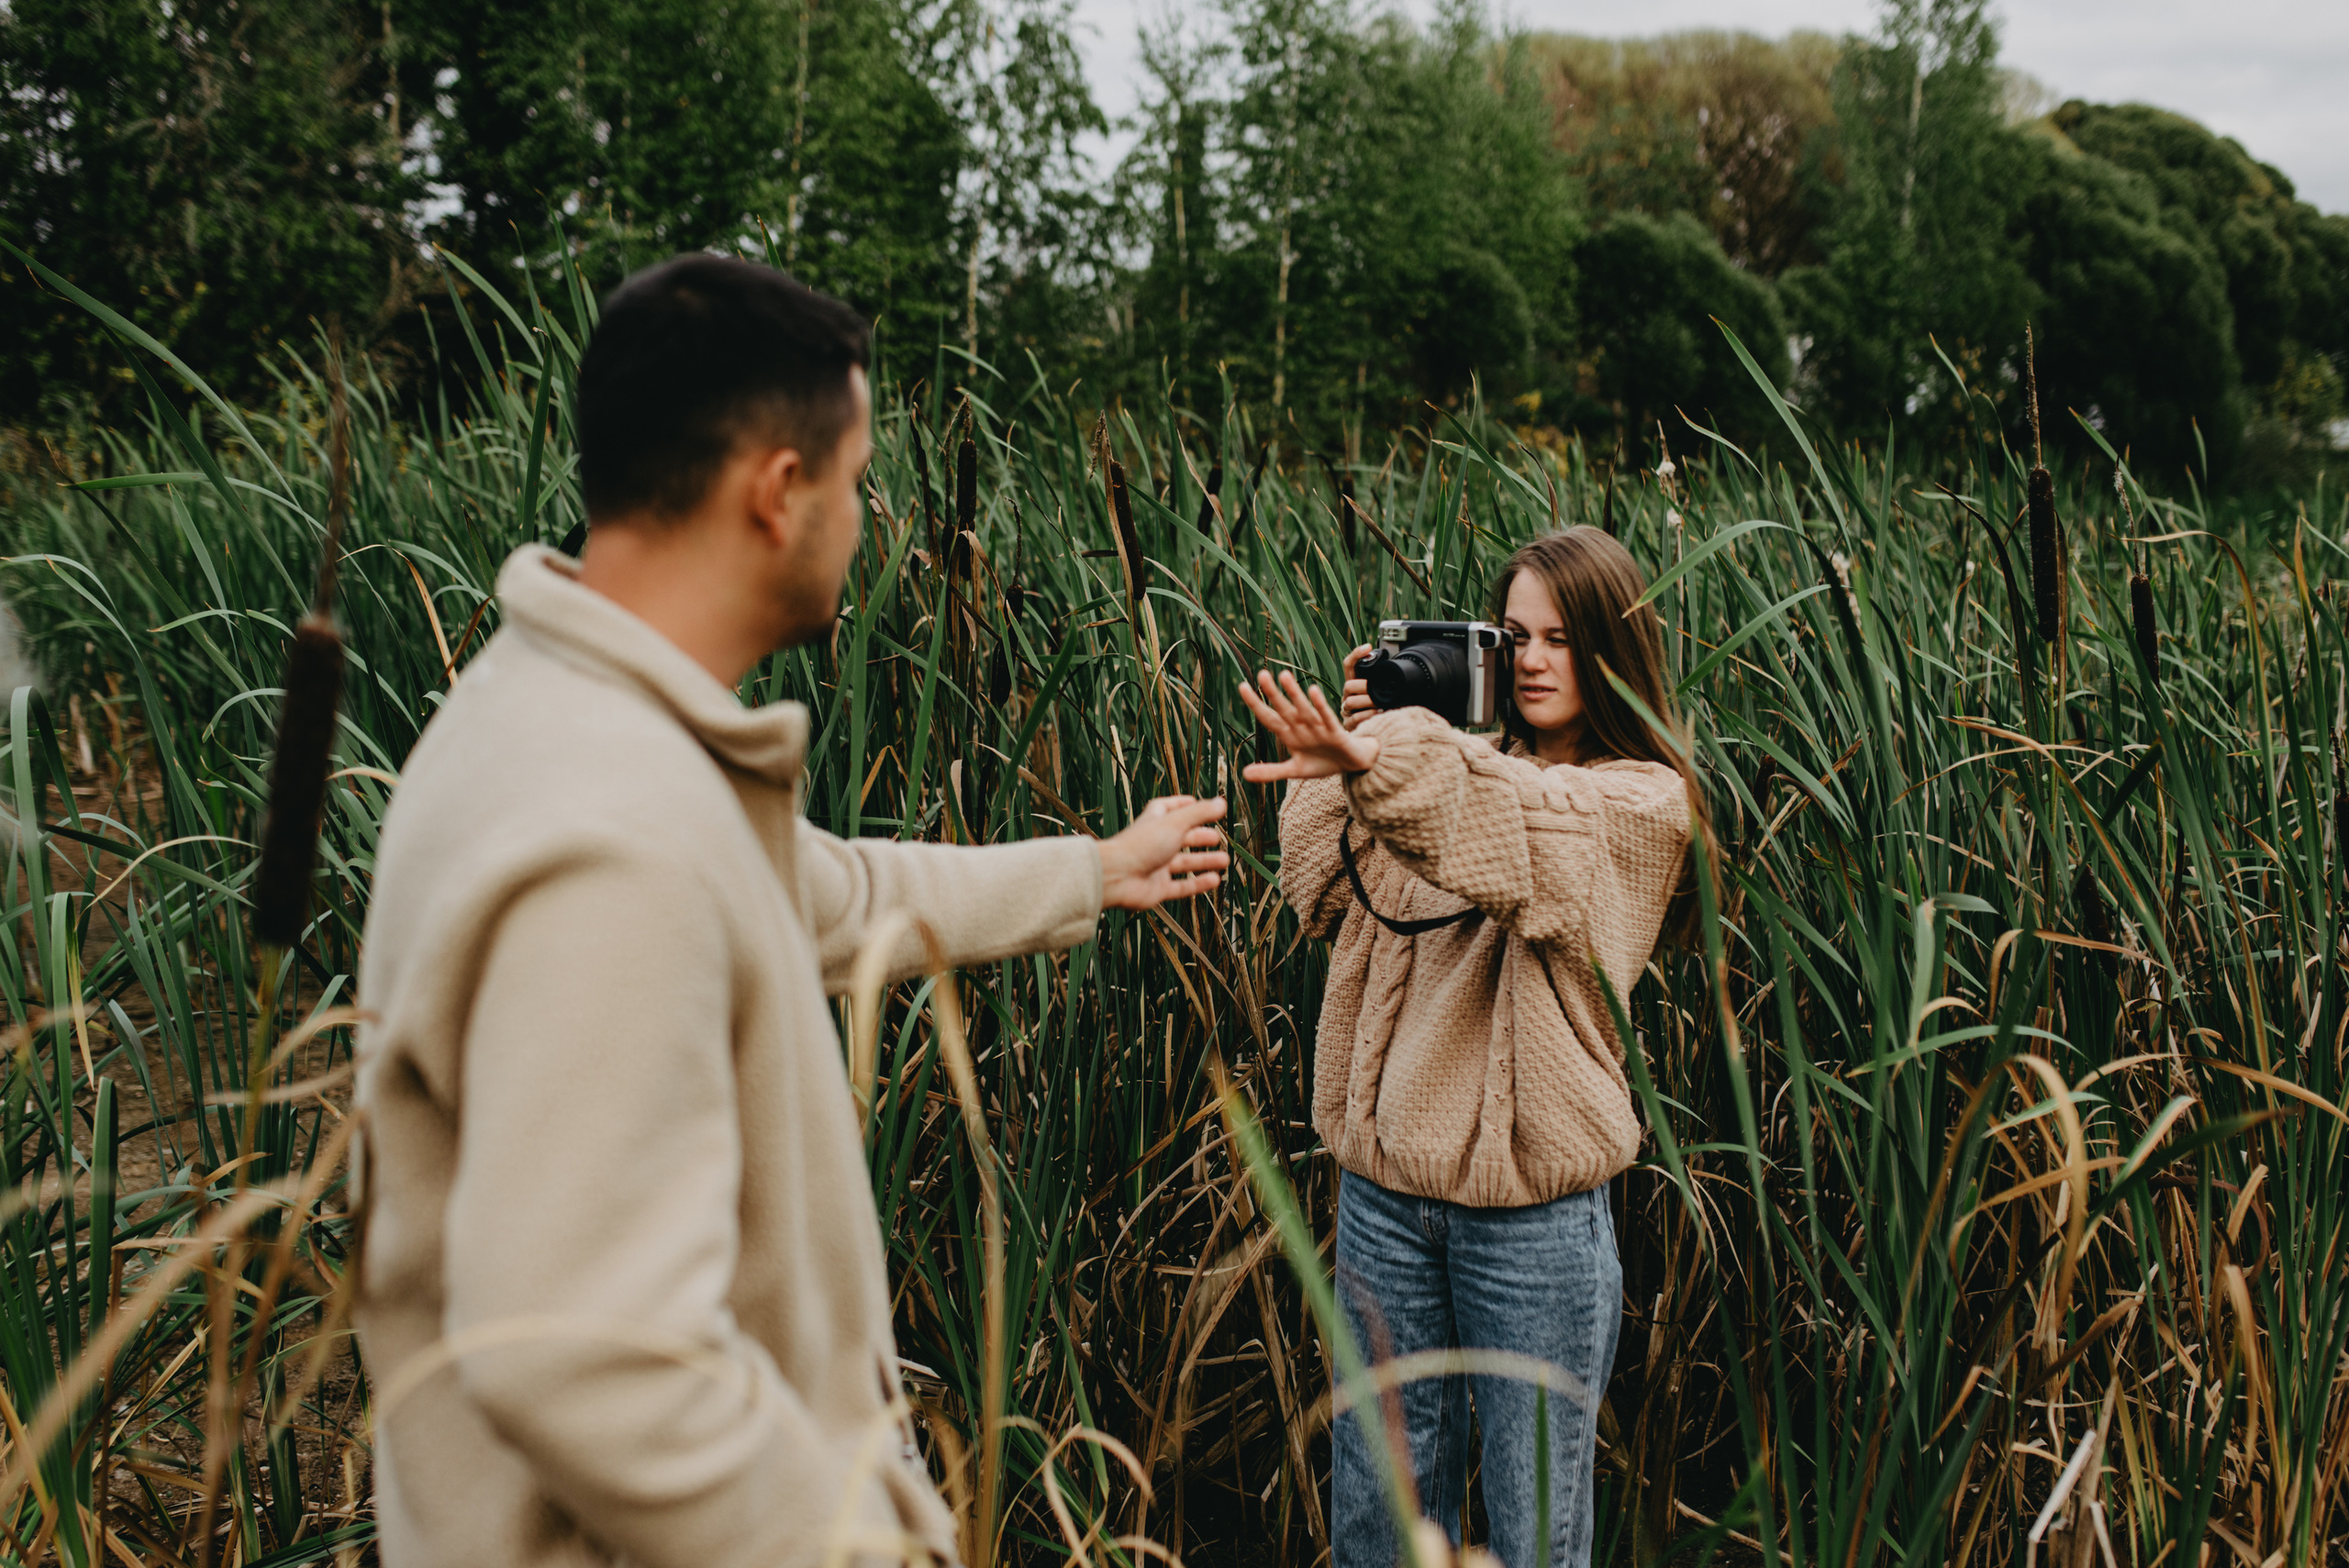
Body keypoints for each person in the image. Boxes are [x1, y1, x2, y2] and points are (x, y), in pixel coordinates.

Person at [353, 253, 1230, 1568]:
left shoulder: (560, 720)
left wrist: (1095, 867)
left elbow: (831, 890)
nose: (868, 519)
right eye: (861, 481)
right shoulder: (614, 832)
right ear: (779, 491)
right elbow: (585, 1354)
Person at [1237, 527, 1709, 1568]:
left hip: (1533, 1227)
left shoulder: (1642, 802)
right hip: (1384, 1203)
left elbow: (1523, 829)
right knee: (1377, 1521)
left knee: (1535, 1533)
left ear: (1615, 653)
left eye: (1564, 637)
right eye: (1514, 635)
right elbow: (1315, 888)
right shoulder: (1435, 770)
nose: (1535, 660)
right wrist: (1340, 761)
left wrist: (1392, 751)